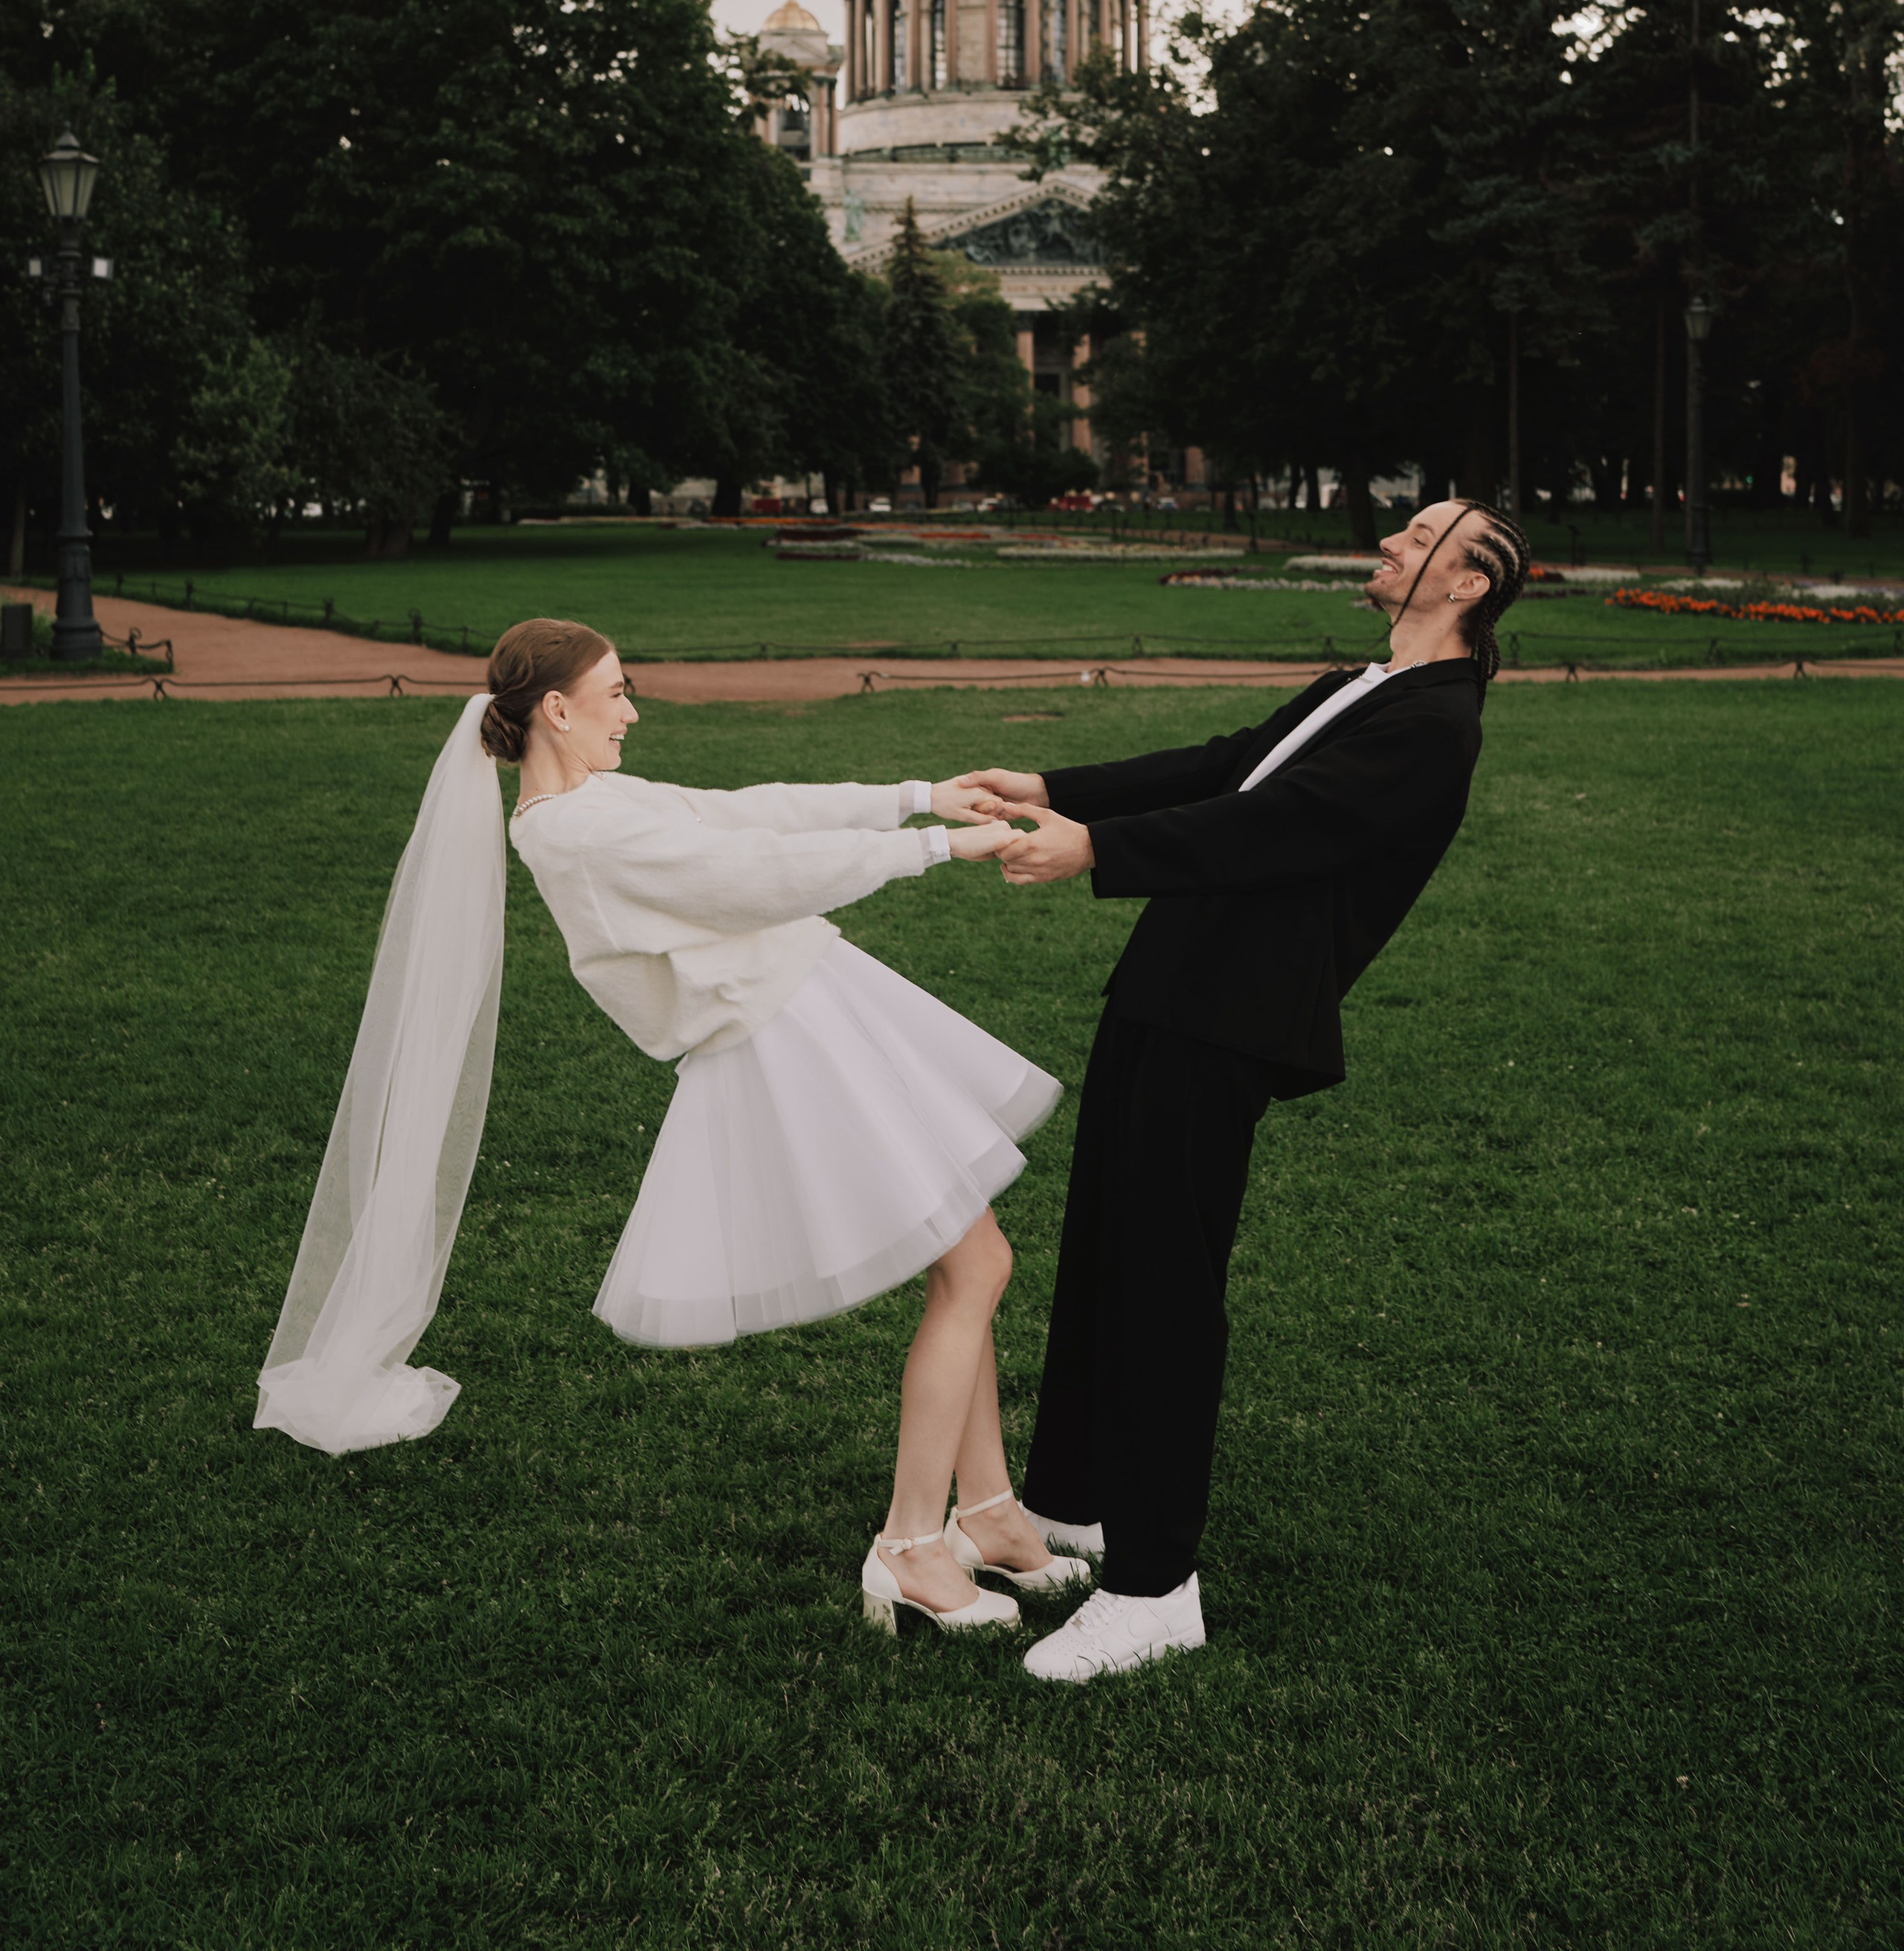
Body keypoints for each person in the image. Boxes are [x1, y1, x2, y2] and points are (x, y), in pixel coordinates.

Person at [255, 618, 1089, 1639]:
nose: (633, 710)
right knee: (975, 1267)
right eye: (617, 692)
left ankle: (991, 1515)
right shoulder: (568, 830)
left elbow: (746, 815)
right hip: (783, 1047)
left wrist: (918, 795)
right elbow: (749, 877)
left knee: (973, 1259)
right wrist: (936, 844)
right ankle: (914, 1545)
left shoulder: (595, 801)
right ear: (557, 709)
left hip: (810, 1012)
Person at [956, 498, 1531, 1683]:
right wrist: (1056, 783)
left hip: (1231, 1014)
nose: (1386, 540)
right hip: (1171, 982)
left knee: (1165, 1281)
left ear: (1468, 581)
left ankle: (1156, 1587)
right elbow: (1226, 766)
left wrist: (1096, 852)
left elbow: (1283, 824)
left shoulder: (1438, 725)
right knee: (1108, 1244)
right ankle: (1075, 1501)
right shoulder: (1360, 686)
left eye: (1415, 535)